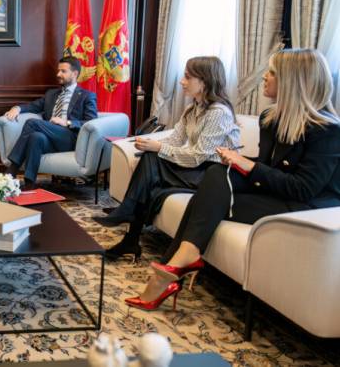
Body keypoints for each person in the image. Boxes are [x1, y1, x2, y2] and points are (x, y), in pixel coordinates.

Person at [125, 49, 340, 311]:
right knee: (217, 173)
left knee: (204, 200)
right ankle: (179, 262)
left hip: (306, 210)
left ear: (293, 82)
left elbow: (303, 188)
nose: (265, 77)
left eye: (272, 72)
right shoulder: (270, 119)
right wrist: (237, 161)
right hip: (274, 192)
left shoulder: (328, 131)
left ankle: (170, 270)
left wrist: (248, 165)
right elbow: (270, 167)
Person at [93, 57, 241, 262]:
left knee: (151, 162)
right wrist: (149, 143)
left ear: (204, 81)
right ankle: (129, 236)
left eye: (188, 77)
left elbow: (197, 157)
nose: (182, 81)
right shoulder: (192, 109)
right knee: (150, 166)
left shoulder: (219, 113)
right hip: (197, 168)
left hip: (213, 176)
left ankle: (127, 221)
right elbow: (175, 140)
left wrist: (158, 148)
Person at [3, 56, 97, 188]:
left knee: (32, 123)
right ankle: (29, 185)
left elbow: (91, 122)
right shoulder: (51, 94)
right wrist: (17, 108)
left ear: (75, 74)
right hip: (49, 136)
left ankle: (11, 170)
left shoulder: (87, 96)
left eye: (63, 71)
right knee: (36, 137)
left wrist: (67, 122)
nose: (58, 74)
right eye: (58, 71)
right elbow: (34, 106)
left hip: (69, 138)